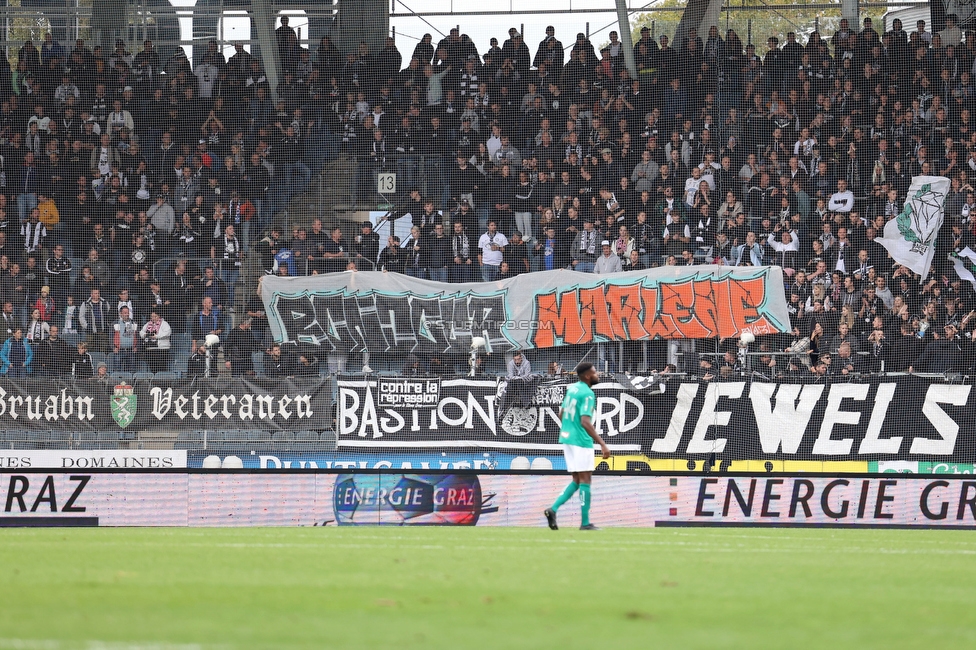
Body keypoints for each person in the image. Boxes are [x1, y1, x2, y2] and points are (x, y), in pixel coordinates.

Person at [545, 362, 610, 531]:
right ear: (588, 375)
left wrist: (568, 428)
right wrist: (602, 444)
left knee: (576, 479)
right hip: (581, 441)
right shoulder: (587, 393)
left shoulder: (572, 389)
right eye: (595, 372)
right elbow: (585, 422)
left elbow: (561, 413)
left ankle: (553, 509)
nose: (597, 375)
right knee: (586, 479)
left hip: (566, 439)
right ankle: (585, 523)